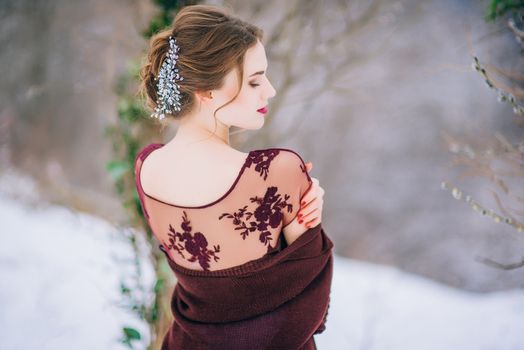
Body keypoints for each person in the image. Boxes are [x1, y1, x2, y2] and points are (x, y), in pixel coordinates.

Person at [134, 4, 334, 349]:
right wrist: (308, 217)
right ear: (207, 91)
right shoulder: (276, 173)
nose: (269, 90)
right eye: (255, 80)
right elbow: (310, 306)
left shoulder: (146, 165)